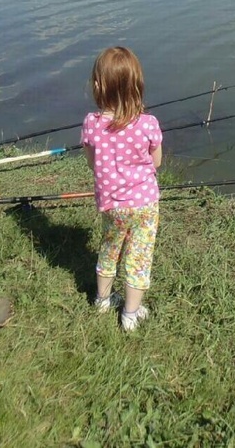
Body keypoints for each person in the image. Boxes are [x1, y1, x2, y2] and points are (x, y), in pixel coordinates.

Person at [81, 46, 163, 331]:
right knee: (138, 256)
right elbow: (157, 162)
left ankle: (102, 301)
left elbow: (93, 164)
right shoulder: (148, 124)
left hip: (112, 206)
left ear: (97, 86)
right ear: (136, 86)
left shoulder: (91, 125)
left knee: (110, 248)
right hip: (144, 205)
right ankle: (130, 313)